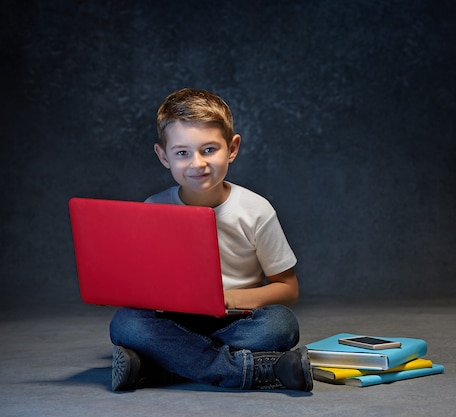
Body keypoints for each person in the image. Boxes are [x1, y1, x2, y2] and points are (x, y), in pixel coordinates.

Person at [108, 88, 313, 392]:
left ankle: (159, 367)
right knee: (125, 324)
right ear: (164, 156)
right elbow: (142, 283)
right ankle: (254, 370)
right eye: (182, 153)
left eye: (208, 150)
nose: (197, 164)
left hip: (236, 321)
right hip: (175, 321)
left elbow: (288, 288)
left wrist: (232, 299)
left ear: (232, 148)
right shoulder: (153, 209)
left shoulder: (256, 210)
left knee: (281, 325)